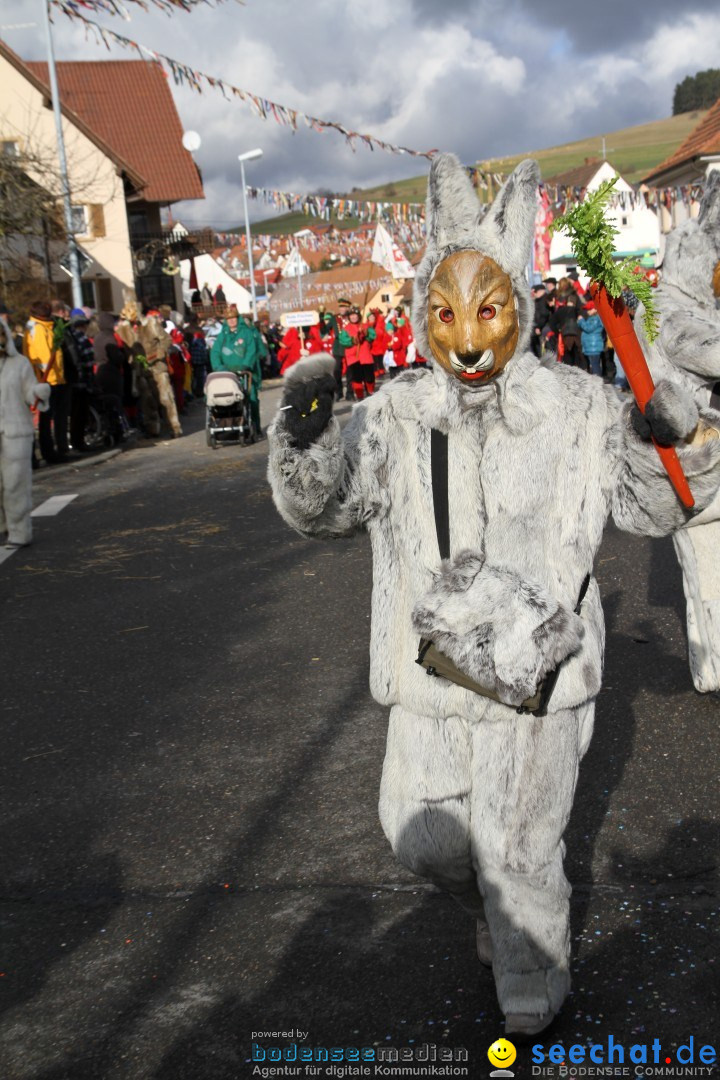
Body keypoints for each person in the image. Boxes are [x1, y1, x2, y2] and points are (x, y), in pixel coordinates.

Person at [267, 154, 720, 1036]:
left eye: (489, 308)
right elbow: (325, 508)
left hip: (536, 671)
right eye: (445, 313)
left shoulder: (579, 407)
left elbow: (649, 501)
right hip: (430, 668)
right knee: (420, 835)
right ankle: (491, 909)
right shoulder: (396, 413)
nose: (467, 337)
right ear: (419, 314)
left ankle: (533, 974)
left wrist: (677, 440)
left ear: (518, 301)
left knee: (519, 851)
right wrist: (307, 438)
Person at [0, 316, 50, 546]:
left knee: (15, 484)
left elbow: (30, 392)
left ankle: (20, 532)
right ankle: (3, 526)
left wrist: (39, 392)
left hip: (15, 433)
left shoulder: (20, 363)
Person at [23, 300, 69, 464]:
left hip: (55, 378)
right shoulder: (37, 328)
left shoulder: (46, 327)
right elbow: (43, 357)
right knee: (45, 418)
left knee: (53, 417)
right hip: (46, 380)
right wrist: (47, 380)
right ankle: (48, 452)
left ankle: (55, 450)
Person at [210, 305, 263, 436]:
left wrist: (245, 365)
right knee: (223, 399)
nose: (232, 321)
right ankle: (227, 424)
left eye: (233, 318)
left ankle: (256, 426)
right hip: (227, 374)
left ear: (237, 319)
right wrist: (219, 368)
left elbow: (252, 350)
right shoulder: (222, 336)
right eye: (229, 319)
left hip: (245, 373)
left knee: (251, 399)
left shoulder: (247, 333)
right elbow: (215, 352)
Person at [66, 309, 96, 451]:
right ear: (82, 325)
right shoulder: (83, 339)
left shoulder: (69, 338)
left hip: (72, 382)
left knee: (74, 414)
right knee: (81, 414)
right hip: (83, 381)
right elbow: (90, 361)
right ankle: (79, 442)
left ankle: (74, 441)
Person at [337, 306, 376, 400]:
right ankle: (360, 396)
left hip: (365, 356)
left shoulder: (365, 326)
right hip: (354, 357)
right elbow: (343, 340)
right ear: (349, 317)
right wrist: (353, 340)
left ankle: (370, 392)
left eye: (355, 315)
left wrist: (366, 334)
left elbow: (373, 336)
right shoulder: (346, 329)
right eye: (351, 315)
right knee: (357, 378)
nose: (353, 317)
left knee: (369, 377)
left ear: (358, 316)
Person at [578, 303, 605, 377]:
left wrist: (581, 321)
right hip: (590, 347)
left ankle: (598, 385)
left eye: (590, 309)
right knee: (593, 367)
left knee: (595, 367)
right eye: (587, 309)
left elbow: (589, 328)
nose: (588, 311)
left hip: (594, 347)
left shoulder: (596, 318)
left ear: (596, 309)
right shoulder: (591, 318)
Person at [530, 282, 549, 358]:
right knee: (535, 346)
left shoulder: (544, 300)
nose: (534, 294)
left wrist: (539, 327)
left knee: (542, 347)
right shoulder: (538, 300)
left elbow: (544, 315)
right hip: (537, 327)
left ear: (541, 291)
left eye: (535, 292)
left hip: (542, 328)